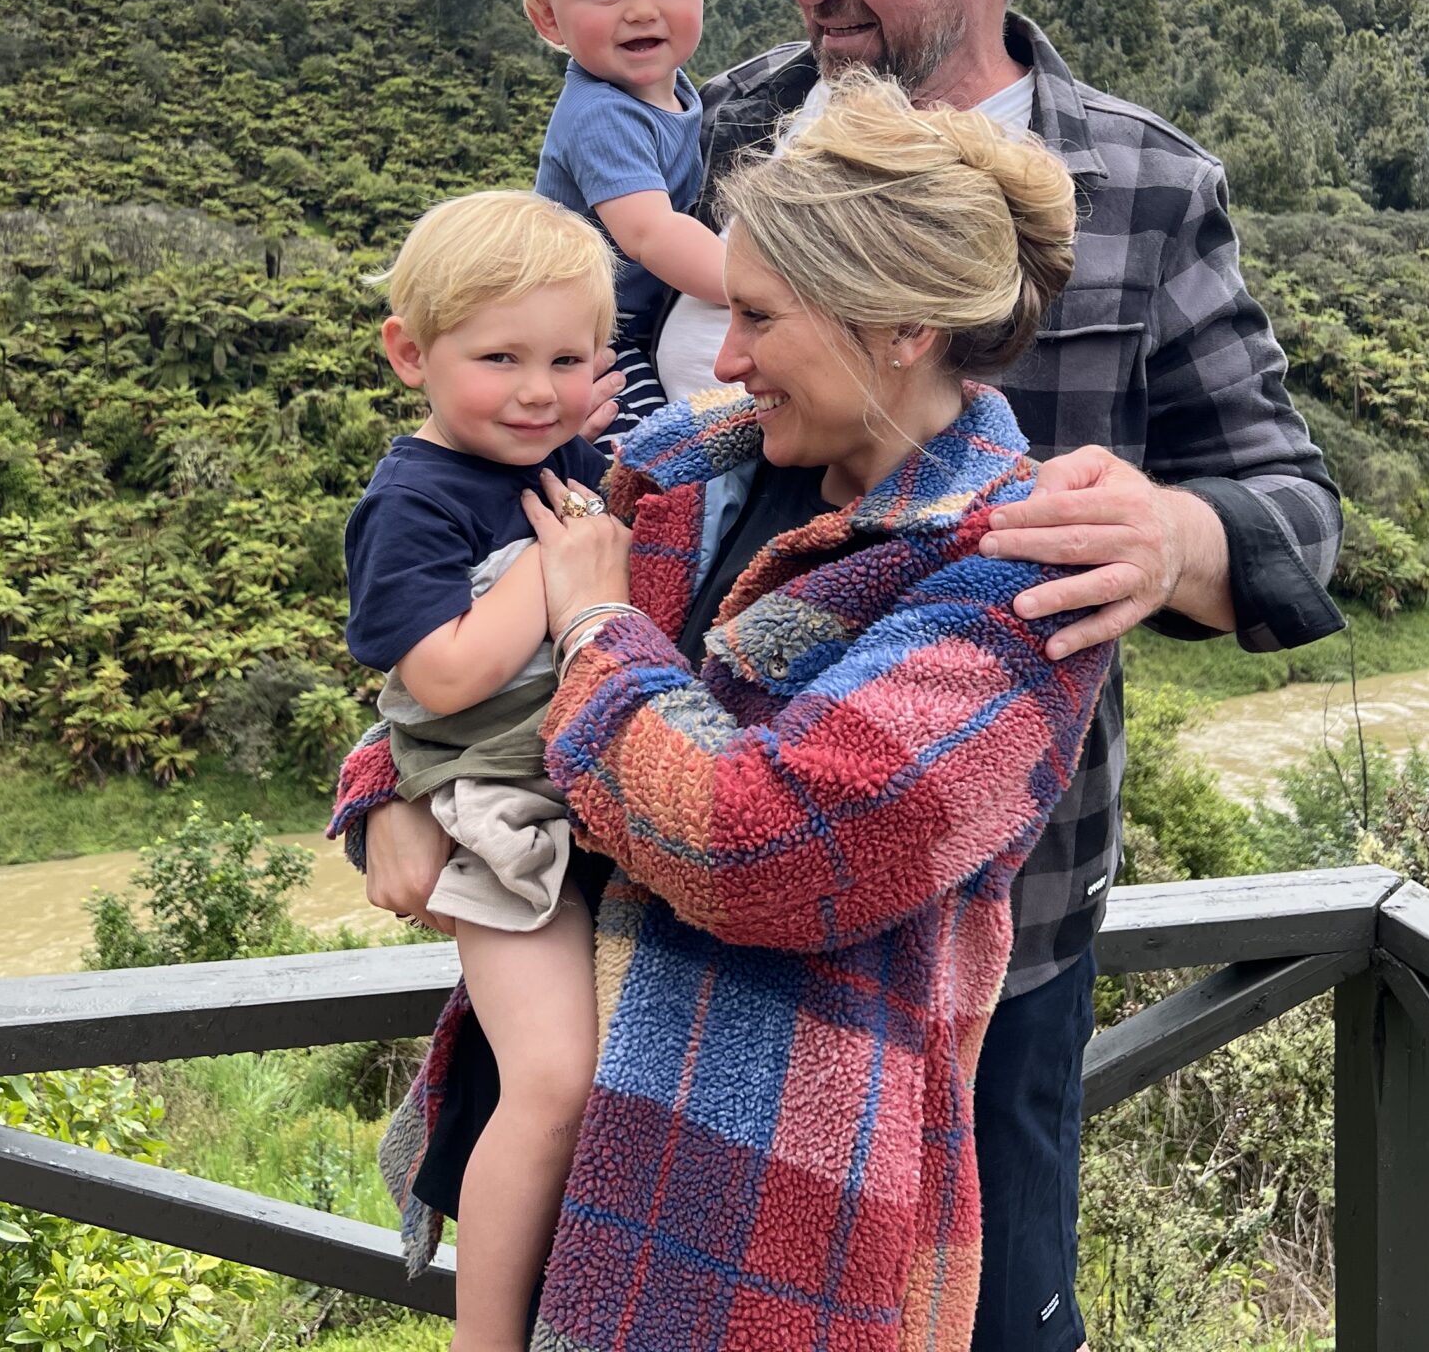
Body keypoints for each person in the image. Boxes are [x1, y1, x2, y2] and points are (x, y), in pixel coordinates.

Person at [361, 0, 1344, 1348]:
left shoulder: (1145, 187)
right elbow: (543, 465)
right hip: (611, 879)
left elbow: (1295, 508)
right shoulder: (713, 121)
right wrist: (401, 778)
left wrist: (1171, 537)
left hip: (968, 898)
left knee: (955, 1298)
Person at [335, 74, 1117, 1349]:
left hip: (753, 1211)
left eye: (757, 314)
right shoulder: (694, 459)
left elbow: (763, 846)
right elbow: (460, 658)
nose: (729, 355)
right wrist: (386, 794)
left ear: (900, 325)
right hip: (560, 1143)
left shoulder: (1012, 576)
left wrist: (599, 630)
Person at [343, 189, 615, 1350]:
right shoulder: (409, 501)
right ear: (411, 353)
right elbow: (442, 680)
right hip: (495, 808)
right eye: (498, 357)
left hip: (603, 785)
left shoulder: (578, 457)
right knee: (551, 1081)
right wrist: (556, 570)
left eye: (567, 358)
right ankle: (487, 1336)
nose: (537, 391)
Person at [526, 0, 726, 431]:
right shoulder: (601, 115)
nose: (641, 10)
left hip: (639, 316)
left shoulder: (683, 88)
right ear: (549, 17)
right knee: (642, 444)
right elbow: (651, 233)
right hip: (589, 332)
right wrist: (757, 283)